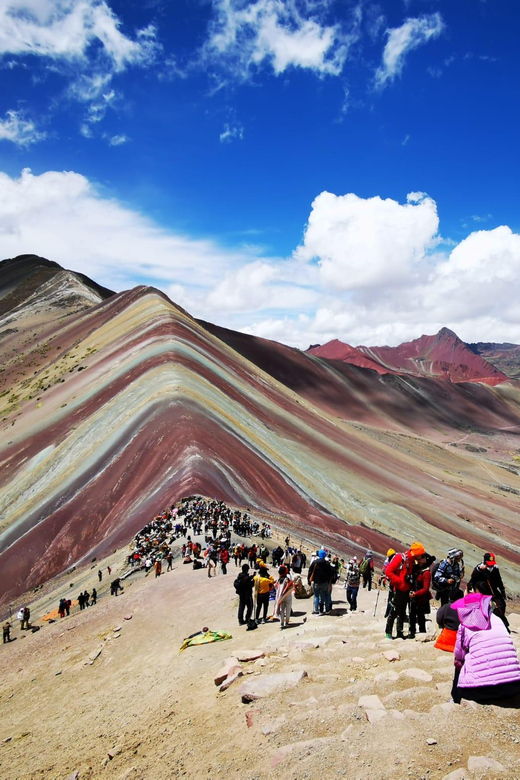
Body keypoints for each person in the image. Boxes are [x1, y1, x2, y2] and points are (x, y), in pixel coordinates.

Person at [451, 592, 520, 704]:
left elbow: (459, 655)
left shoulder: (465, 625)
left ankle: (456, 698)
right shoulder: (498, 620)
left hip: (482, 690)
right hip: (514, 685)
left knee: (459, 662)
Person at [385, 542, 427, 639]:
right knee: (394, 611)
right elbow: (388, 571)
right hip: (399, 589)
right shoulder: (400, 558)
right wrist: (400, 581)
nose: (421, 556)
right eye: (420, 555)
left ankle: (399, 632)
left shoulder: (412, 561)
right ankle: (388, 632)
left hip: (406, 590)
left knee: (402, 612)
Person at [467, 553, 508, 627]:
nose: (491, 565)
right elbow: (473, 578)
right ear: (485, 561)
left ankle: (500, 620)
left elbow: (498, 580)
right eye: (489, 563)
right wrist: (479, 570)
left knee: (502, 604)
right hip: (481, 590)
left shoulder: (495, 568)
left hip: (492, 589)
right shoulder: (479, 568)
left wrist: (502, 590)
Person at [408, 553, 434, 637]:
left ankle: (422, 632)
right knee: (412, 614)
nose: (419, 558)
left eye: (421, 557)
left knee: (420, 616)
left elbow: (426, 588)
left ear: (425, 560)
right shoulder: (416, 568)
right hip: (414, 595)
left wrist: (415, 593)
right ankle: (412, 632)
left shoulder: (426, 573)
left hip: (421, 598)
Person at [308, 549, 333, 615]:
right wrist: (329, 583)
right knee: (323, 596)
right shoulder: (327, 563)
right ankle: (323, 610)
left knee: (316, 596)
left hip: (316, 582)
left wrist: (309, 581)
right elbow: (330, 573)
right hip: (325, 583)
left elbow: (310, 571)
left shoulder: (315, 562)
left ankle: (316, 610)